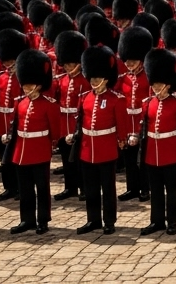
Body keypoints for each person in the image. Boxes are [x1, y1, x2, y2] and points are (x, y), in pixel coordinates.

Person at [139, 47, 176, 235]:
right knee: (155, 190)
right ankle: (157, 221)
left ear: (168, 84)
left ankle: (172, 221)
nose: (155, 89)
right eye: (153, 85)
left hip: (170, 152)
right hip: (151, 153)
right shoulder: (147, 103)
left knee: (171, 190)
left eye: (159, 85)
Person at [75, 45, 128, 234]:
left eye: (97, 78)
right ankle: (93, 219)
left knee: (108, 188)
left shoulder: (116, 99)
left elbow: (122, 124)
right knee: (90, 188)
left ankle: (109, 220)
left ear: (106, 79)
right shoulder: (84, 98)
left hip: (106, 147)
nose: (94, 81)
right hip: (87, 148)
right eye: (92, 78)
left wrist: (121, 140)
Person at [9, 48, 60, 234]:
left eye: (31, 87)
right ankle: (27, 219)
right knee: (25, 189)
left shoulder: (49, 104)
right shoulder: (20, 103)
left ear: (39, 85)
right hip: (21, 151)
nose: (27, 90)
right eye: (25, 87)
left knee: (42, 188)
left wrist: (52, 144)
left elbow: (55, 130)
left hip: (40, 150)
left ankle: (43, 220)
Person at [116, 26, 153, 204]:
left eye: (133, 61)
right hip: (127, 120)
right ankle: (132, 188)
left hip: (142, 121)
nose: (129, 64)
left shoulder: (148, 76)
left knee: (143, 158)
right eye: (127, 61)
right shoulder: (123, 77)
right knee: (129, 158)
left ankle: (145, 188)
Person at [0, 29, 27, 203]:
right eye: (7, 64)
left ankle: (20, 187)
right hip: (1, 122)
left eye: (12, 63)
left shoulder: (22, 77)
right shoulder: (1, 78)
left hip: (16, 122)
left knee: (16, 157)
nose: (9, 67)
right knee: (3, 157)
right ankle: (9, 187)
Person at [51, 30, 88, 202]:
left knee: (79, 160)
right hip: (63, 123)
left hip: (77, 123)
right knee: (67, 160)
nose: (67, 68)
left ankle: (83, 187)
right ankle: (70, 187)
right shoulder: (62, 79)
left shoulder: (85, 80)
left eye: (70, 64)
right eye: (65, 65)